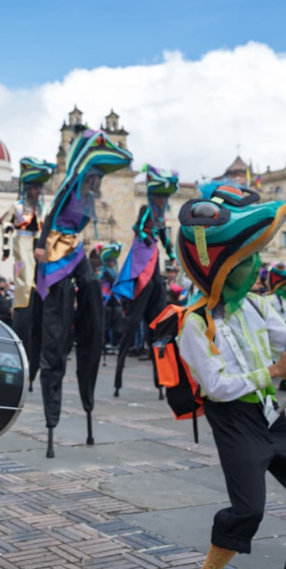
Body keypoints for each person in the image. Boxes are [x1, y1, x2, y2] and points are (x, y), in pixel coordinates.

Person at [175, 186, 286, 569]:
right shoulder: (195, 323)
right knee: (248, 510)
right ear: (221, 267)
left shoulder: (255, 304)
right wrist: (272, 372)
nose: (253, 267)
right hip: (233, 419)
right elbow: (216, 386)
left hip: (269, 414)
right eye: (244, 260)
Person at [34, 129, 132, 457]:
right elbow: (48, 219)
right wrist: (38, 246)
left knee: (91, 284)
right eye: (94, 177)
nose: (96, 183)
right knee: (59, 302)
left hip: (75, 249)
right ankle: (59, 341)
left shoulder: (90, 197)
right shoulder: (68, 188)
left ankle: (90, 322)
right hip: (56, 250)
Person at [112, 164, 178, 398]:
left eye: (163, 197)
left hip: (155, 273)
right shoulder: (146, 211)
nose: (161, 201)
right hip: (143, 269)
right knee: (132, 325)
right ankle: (118, 377)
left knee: (158, 327)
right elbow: (138, 228)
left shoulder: (160, 218)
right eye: (158, 197)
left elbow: (166, 241)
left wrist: (173, 257)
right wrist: (145, 236)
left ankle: (162, 381)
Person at [2, 157, 54, 389]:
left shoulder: (42, 210)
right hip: (23, 252)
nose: (36, 191)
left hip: (38, 252)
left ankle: (35, 366)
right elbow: (6, 227)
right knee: (24, 295)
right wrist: (4, 249)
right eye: (33, 187)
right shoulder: (18, 208)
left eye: (38, 188)